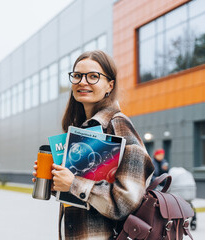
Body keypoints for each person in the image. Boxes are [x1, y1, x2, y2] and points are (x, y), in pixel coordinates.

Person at [32, 50, 154, 239]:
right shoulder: (81, 131)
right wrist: (58, 182)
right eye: (78, 76)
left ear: (110, 85)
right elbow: (87, 199)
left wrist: (73, 183)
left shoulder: (119, 124)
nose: (83, 81)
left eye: (93, 76)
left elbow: (128, 201)